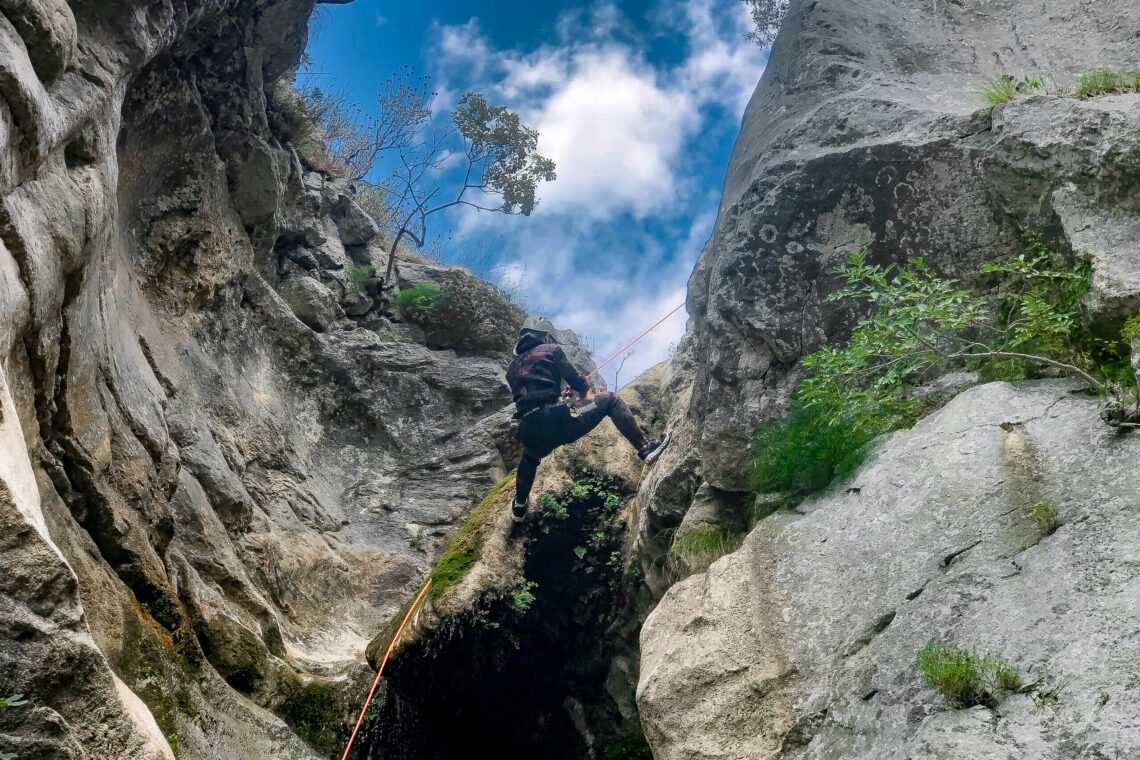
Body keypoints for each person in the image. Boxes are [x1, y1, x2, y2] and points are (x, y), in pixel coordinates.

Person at [506, 317, 669, 521]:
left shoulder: (511, 369)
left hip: (529, 429)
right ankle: (645, 448)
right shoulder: (551, 350)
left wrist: (563, 398)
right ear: (545, 334)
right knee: (611, 400)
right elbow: (579, 384)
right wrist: (579, 391)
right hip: (558, 420)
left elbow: (535, 397)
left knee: (529, 459)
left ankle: (519, 506)